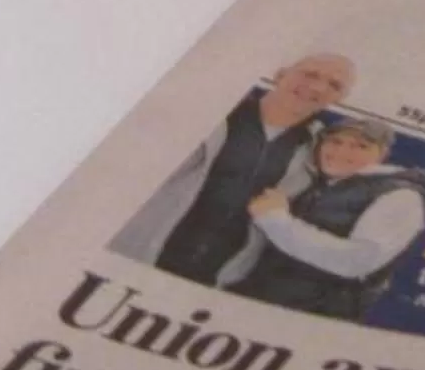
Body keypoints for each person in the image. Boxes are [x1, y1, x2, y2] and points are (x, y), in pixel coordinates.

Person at [114, 51, 352, 285]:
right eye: (310, 74)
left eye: (334, 85)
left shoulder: (319, 152)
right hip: (141, 252)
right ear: (280, 75)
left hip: (217, 277)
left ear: (338, 100)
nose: (318, 87)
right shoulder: (213, 113)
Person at [223, 114, 425, 321]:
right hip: (262, 301)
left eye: (361, 146)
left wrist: (275, 220)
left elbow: (355, 261)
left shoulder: (401, 197)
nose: (341, 151)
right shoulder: (325, 184)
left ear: (382, 154)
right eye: (335, 141)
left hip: (310, 318)